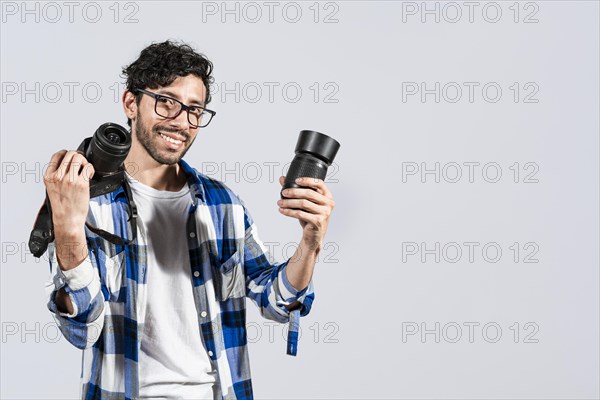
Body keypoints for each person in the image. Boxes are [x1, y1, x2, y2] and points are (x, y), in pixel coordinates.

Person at [43, 40, 335, 400]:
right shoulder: (88, 201)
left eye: (194, 109)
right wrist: (69, 228)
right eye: (166, 101)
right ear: (131, 103)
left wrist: (311, 241)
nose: (181, 121)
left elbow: (276, 300)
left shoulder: (223, 204)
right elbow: (82, 329)